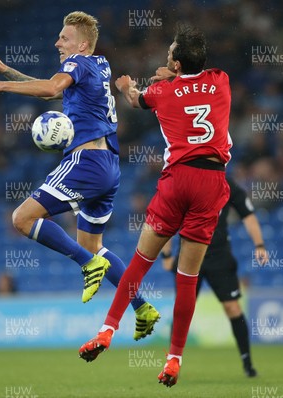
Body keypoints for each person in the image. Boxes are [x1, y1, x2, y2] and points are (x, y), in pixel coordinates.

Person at [0, 11, 159, 339]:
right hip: (109, 167)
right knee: (94, 244)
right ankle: (142, 306)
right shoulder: (98, 66)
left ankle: (87, 265)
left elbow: (49, 90)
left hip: (84, 161)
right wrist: (6, 69)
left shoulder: (78, 63)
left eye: (64, 38)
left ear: (82, 44)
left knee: (21, 219)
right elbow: (57, 91)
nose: (57, 42)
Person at [78, 25, 232, 387]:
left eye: (169, 56)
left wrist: (125, 87)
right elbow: (196, 81)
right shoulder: (222, 81)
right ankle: (174, 359)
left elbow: (136, 98)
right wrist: (174, 74)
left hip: (177, 180)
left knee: (139, 263)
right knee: (188, 278)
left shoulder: (162, 91)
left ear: (176, 64)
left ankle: (106, 330)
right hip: (211, 182)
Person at [161, 176, 268, 378]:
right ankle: (171, 365)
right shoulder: (186, 182)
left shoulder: (227, 184)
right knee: (183, 310)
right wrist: (166, 253)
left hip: (219, 256)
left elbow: (248, 215)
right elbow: (168, 218)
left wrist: (259, 245)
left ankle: (247, 363)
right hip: (189, 255)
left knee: (233, 307)